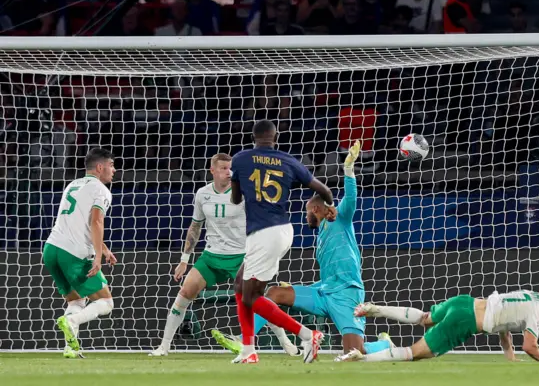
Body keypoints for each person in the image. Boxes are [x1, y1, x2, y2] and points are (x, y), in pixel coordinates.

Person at [213, 141, 394, 356]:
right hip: (324, 292)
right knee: (274, 293)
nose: (306, 216)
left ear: (316, 209)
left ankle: (385, 343)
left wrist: (348, 170)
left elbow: (351, 199)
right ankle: (245, 341)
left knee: (355, 351)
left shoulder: (340, 217)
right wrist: (309, 286)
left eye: (308, 212)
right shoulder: (322, 234)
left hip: (347, 295)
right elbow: (331, 275)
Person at [229, 119, 337, 363]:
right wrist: (329, 206)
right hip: (283, 230)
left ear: (253, 136)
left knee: (251, 297)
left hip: (264, 233)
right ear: (274, 137)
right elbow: (325, 190)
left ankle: (308, 335)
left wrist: (242, 183)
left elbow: (236, 200)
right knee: (240, 285)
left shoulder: (241, 159)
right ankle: (248, 349)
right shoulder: (288, 161)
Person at [150, 154, 249, 356]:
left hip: (240, 256)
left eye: (230, 168)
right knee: (185, 293)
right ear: (212, 170)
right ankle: (164, 346)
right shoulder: (203, 193)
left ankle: (285, 342)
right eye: (223, 168)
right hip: (211, 256)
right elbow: (195, 227)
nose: (228, 172)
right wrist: (184, 260)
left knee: (255, 300)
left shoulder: (243, 192)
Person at [336, 280, 539, 363]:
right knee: (416, 353)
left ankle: (376, 309)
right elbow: (530, 346)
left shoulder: (529, 294)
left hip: (463, 301)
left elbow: (505, 325)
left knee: (425, 318)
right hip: (465, 320)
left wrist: (509, 357)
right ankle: (363, 357)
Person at [43, 148, 117, 358]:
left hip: (51, 249)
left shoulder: (72, 185)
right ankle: (72, 321)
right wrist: (98, 257)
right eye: (111, 166)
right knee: (106, 302)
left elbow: (80, 222)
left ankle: (70, 348)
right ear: (100, 167)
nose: (114, 170)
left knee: (76, 301)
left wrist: (104, 249)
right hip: (73, 252)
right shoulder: (101, 190)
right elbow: (95, 221)